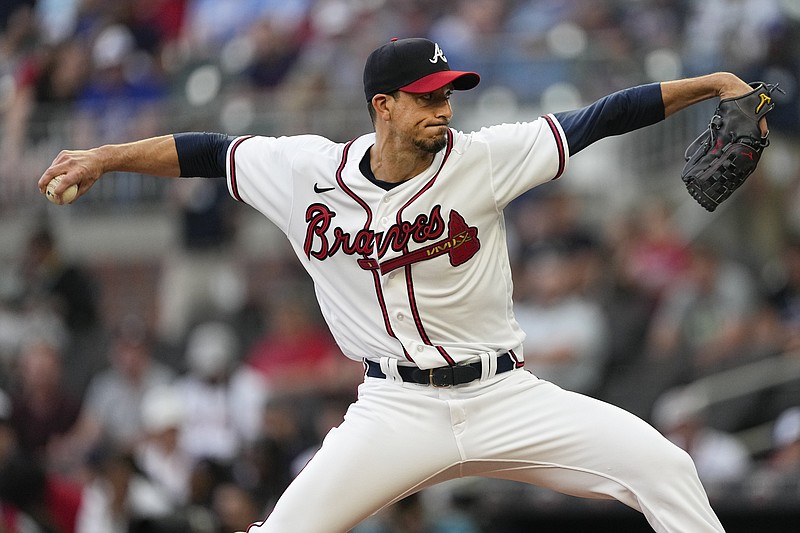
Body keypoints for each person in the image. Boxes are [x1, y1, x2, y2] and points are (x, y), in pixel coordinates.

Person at [38, 37, 771, 533]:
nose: (442, 110)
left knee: (666, 469)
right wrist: (108, 156)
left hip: (505, 394)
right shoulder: (305, 172)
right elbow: (204, 152)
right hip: (394, 408)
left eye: (447, 95)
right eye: (426, 97)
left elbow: (600, 118)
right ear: (382, 105)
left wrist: (708, 83)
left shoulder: (482, 157)